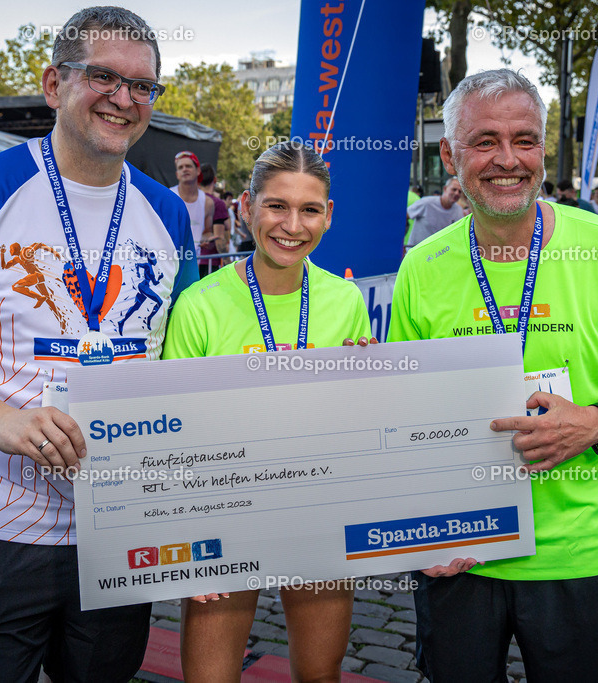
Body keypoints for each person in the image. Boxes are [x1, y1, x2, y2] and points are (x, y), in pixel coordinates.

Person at [0, 7, 197, 681]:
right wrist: (2, 418)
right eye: (103, 75)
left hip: (119, 526)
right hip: (0, 525)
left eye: (143, 86)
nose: (124, 97)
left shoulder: (167, 212)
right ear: (54, 84)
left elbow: (186, 357)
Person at [389, 68, 598, 682]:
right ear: (449, 154)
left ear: (542, 150)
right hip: (462, 549)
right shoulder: (420, 266)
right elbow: (405, 408)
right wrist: (422, 529)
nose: (507, 160)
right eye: (484, 141)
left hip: (579, 552)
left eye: (524, 140)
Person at [163, 141, 437, 683]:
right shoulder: (199, 304)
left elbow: (359, 424)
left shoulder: (345, 301)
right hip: (227, 512)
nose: (292, 225)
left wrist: (369, 385)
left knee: (319, 673)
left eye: (309, 209)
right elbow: (174, 433)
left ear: (328, 216)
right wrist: (187, 541)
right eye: (276, 206)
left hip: (318, 507)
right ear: (246, 206)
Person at [172, 150, 214, 273]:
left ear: (198, 171)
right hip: (170, 262)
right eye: (181, 167)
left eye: (188, 166)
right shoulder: (168, 196)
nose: (184, 169)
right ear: (177, 174)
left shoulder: (208, 202)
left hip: (195, 264)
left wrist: (207, 240)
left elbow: (207, 232)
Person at [406, 177, 464, 249]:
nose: (456, 193)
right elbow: (405, 216)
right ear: (445, 189)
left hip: (438, 255)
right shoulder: (426, 203)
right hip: (416, 251)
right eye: (454, 189)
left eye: (460, 191)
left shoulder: (458, 210)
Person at [197, 163, 230, 272]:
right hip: (209, 262)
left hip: (189, 260)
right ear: (215, 180)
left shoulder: (189, 202)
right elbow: (219, 237)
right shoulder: (217, 203)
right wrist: (228, 264)